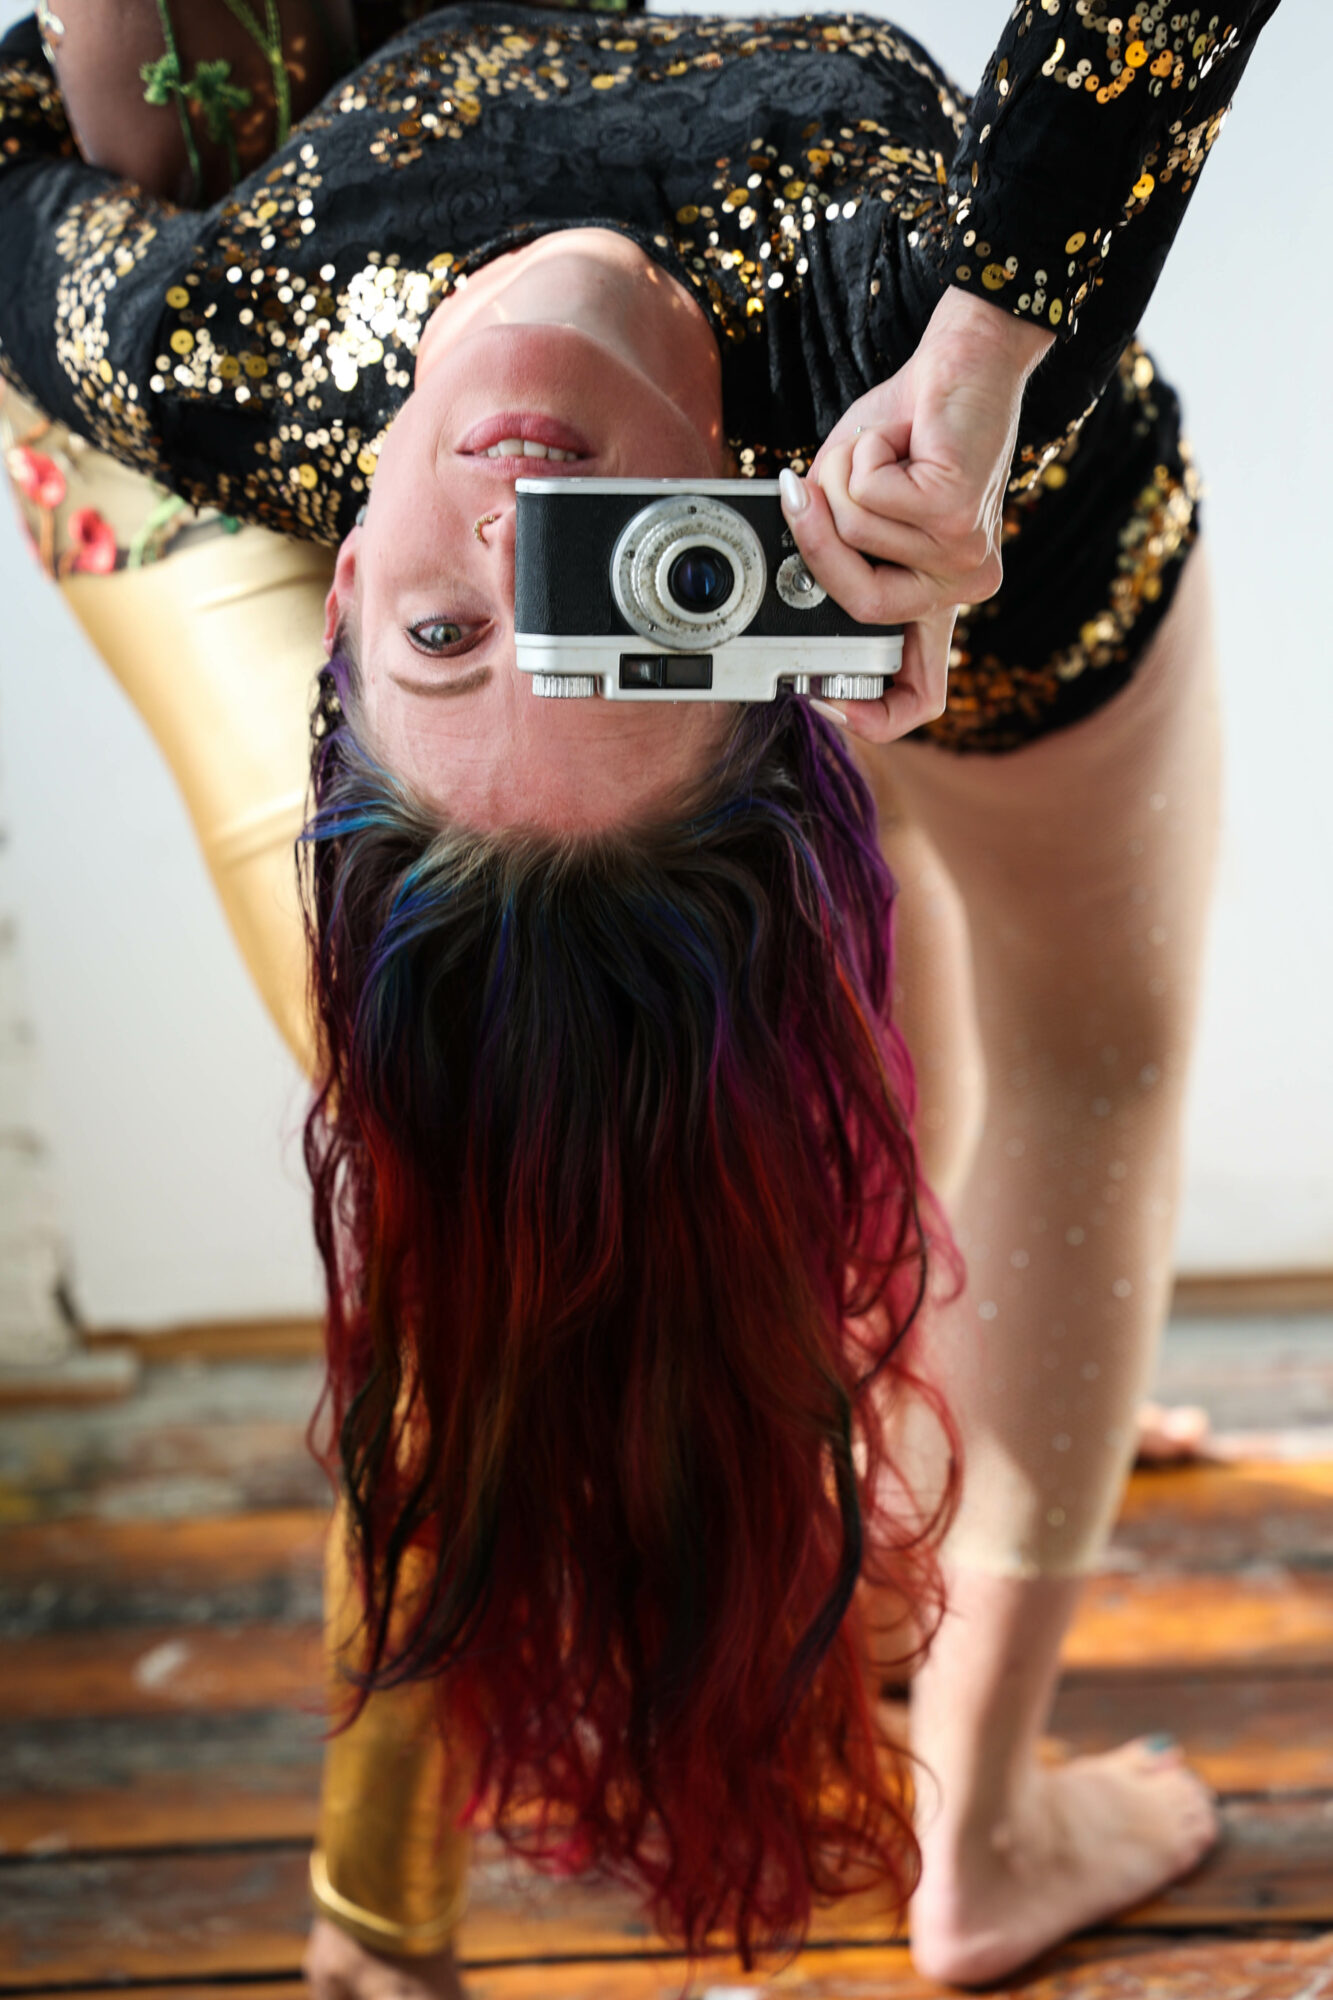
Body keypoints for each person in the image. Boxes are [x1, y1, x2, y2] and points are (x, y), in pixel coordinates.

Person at [0, 0, 1281, 1987]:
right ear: (767, 676)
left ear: (339, 588)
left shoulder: (210, 354)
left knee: (827, 1058)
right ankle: (976, 1830)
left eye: (449, 634)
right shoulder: (907, 340)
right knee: (1087, 1066)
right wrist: (982, 357)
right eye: (609, 633)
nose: (515, 539)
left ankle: (894, 1488)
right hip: (996, 525)